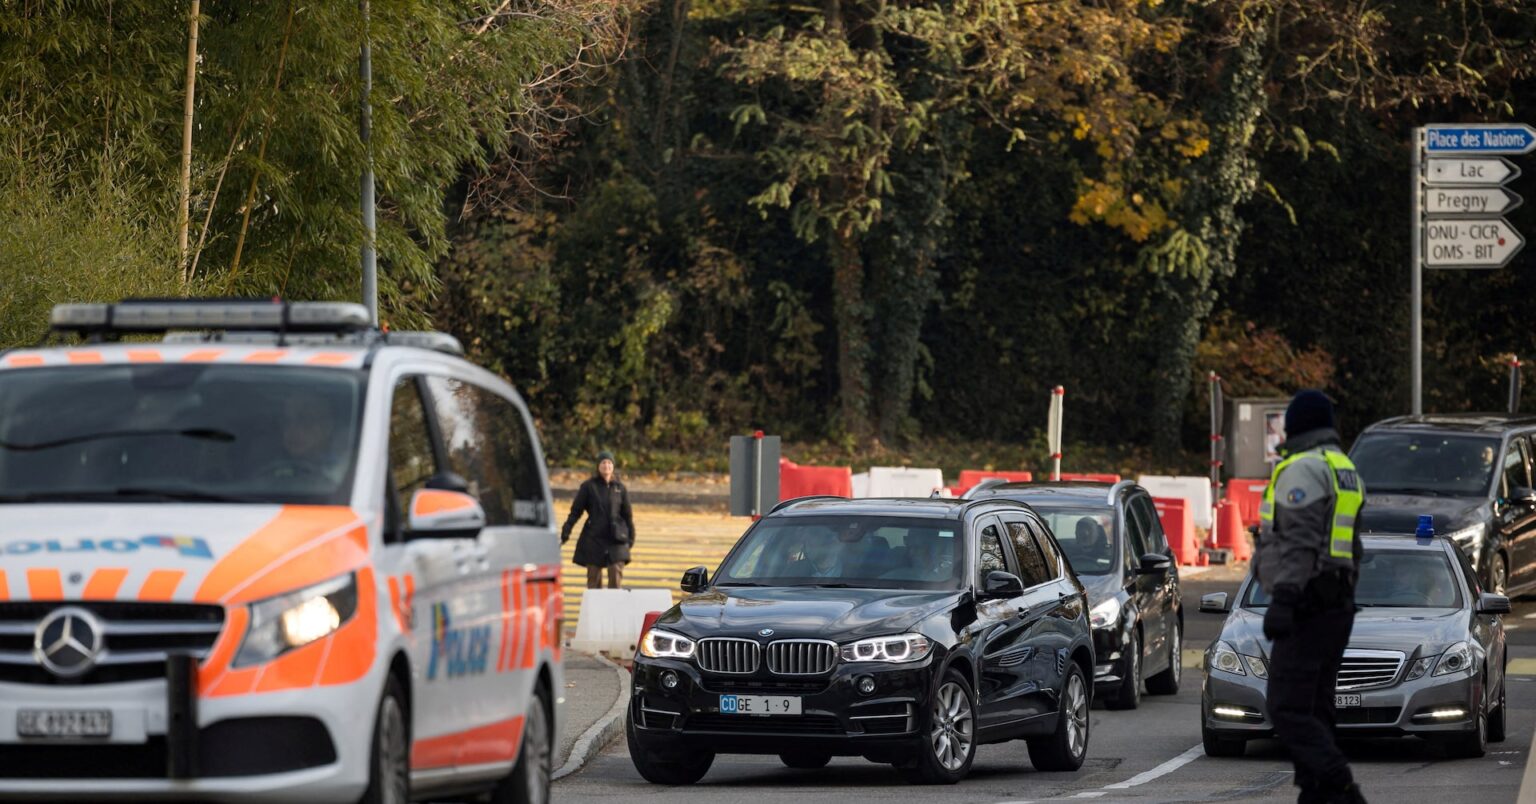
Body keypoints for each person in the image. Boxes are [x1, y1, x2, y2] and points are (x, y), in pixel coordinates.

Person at [1255, 390, 1366, 804]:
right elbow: (1351, 548)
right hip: (1337, 602)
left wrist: (1284, 598)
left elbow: (1300, 541)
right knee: (1317, 707)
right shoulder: (1344, 468)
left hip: (1307, 602)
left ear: (1296, 425)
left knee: (1287, 708)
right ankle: (1315, 794)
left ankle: (1341, 789)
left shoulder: (1303, 469)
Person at [562, 451, 636, 589]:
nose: (606, 465)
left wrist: (631, 537)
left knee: (615, 574)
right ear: (598, 466)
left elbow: (627, 515)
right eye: (603, 462)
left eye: (609, 462)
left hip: (616, 538)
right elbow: (575, 512)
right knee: (594, 581)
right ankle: (595, 609)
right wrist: (566, 530)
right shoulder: (588, 487)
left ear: (613, 466)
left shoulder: (620, 488)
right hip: (594, 538)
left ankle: (614, 608)